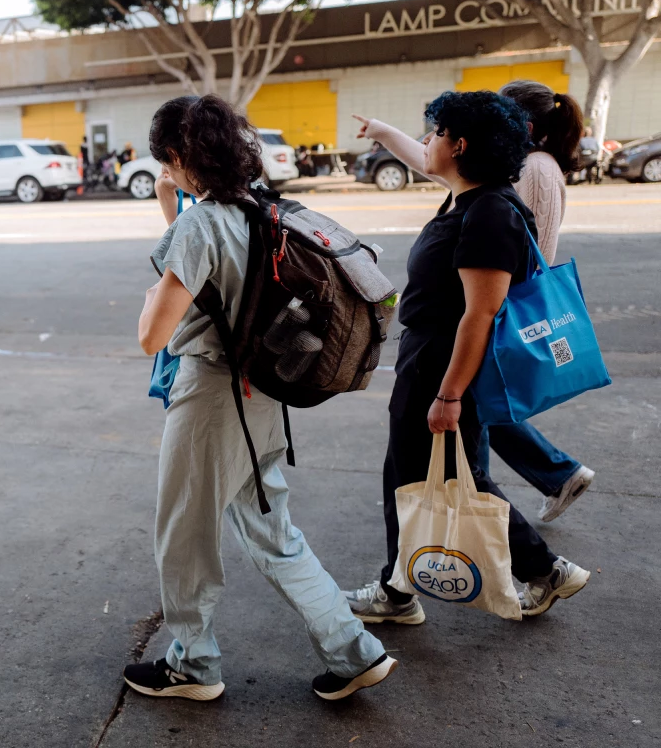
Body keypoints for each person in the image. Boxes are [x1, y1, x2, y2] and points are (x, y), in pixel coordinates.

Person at [125, 94, 396, 704]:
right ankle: (354, 651)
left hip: (209, 402)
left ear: (175, 156)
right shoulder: (260, 209)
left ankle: (193, 665)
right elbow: (222, 277)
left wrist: (153, 285)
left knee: (184, 535)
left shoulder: (200, 225)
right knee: (275, 533)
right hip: (261, 394)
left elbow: (152, 335)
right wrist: (172, 208)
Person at [344, 91, 591, 625]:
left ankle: (542, 571)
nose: (426, 141)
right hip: (428, 355)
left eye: (433, 133)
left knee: (447, 478)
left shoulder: (489, 214)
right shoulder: (467, 198)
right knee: (421, 475)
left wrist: (449, 395)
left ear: (459, 145)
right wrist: (385, 130)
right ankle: (399, 586)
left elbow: (480, 314)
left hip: (443, 362)